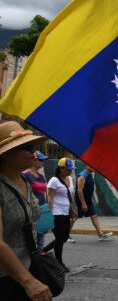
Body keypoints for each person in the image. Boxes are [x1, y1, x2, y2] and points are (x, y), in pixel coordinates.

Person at [0, 121, 53, 301]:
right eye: (27, 147)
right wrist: (28, 281)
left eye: (33, 147)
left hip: (27, 270)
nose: (33, 152)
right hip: (6, 280)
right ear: (6, 154)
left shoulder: (24, 179)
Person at [44, 158, 77, 273]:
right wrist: (50, 214)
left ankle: (44, 251)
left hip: (66, 211)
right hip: (56, 212)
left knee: (64, 237)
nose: (70, 171)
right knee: (61, 237)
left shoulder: (70, 179)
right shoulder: (54, 180)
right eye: (68, 169)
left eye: (71, 169)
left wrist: (74, 209)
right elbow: (50, 197)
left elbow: (71, 195)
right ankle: (59, 262)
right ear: (61, 168)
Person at [74, 166, 112, 241]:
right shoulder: (82, 176)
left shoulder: (89, 175)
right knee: (74, 217)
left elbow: (88, 189)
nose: (94, 167)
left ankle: (100, 234)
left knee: (94, 215)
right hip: (81, 201)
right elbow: (79, 191)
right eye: (92, 166)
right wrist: (83, 203)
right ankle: (66, 235)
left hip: (88, 200)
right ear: (87, 166)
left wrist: (91, 199)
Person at [22, 151, 49, 251]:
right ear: (34, 160)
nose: (43, 162)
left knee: (41, 236)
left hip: (42, 208)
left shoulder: (41, 177)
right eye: (41, 160)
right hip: (31, 210)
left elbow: (44, 193)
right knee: (32, 236)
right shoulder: (25, 175)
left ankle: (39, 260)